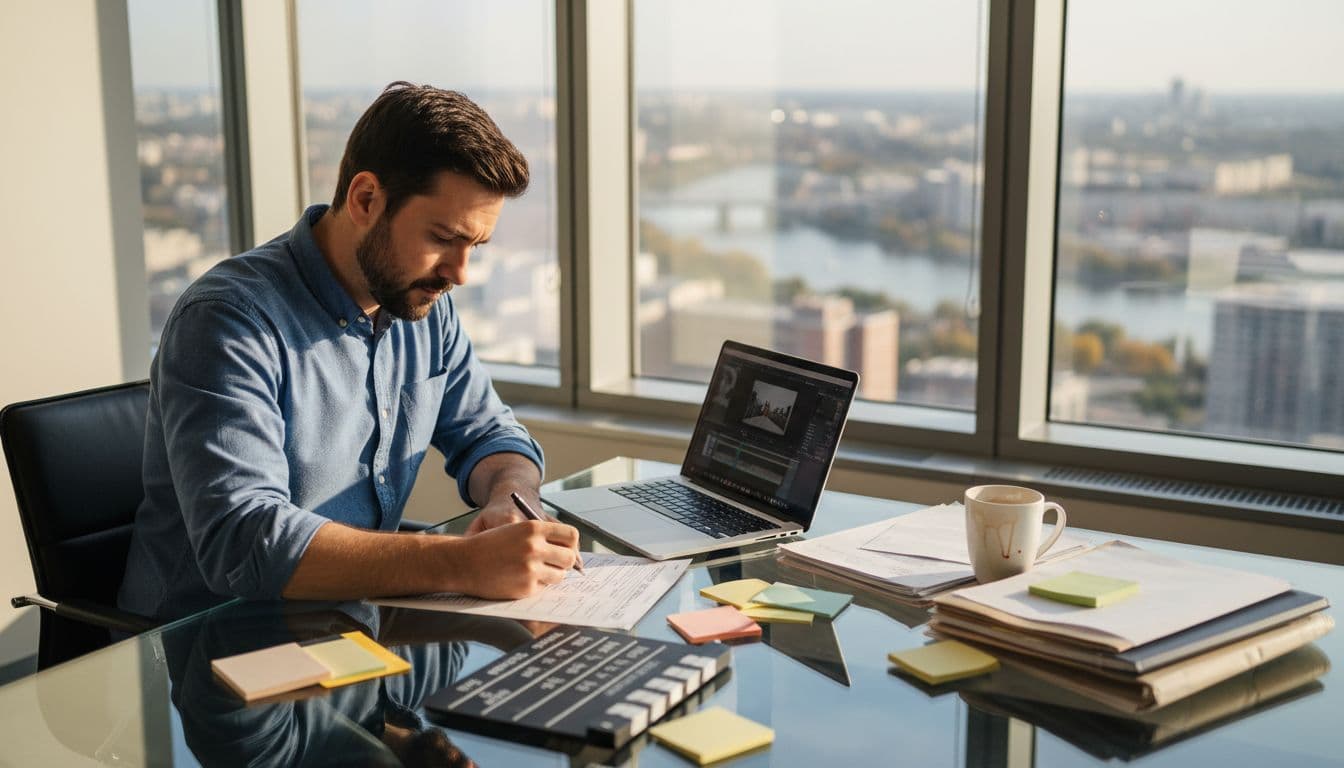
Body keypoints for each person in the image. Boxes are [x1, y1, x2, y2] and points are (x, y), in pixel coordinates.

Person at [118, 82, 580, 622]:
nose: (459, 273)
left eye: (474, 247)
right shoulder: (228, 322)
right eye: (443, 237)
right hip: (207, 648)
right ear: (365, 199)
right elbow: (244, 542)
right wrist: (461, 562)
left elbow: (490, 435)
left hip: (348, 627)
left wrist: (510, 496)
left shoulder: (421, 303)